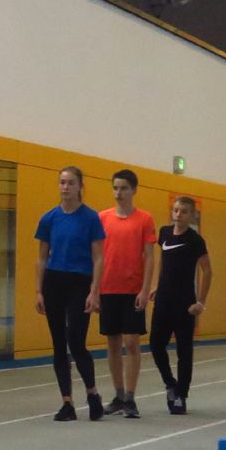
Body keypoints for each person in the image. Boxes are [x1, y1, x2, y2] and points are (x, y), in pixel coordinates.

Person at [34, 166, 106, 421]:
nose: (65, 187)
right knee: (58, 344)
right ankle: (67, 402)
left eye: (71, 183)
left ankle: (92, 393)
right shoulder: (49, 218)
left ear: (80, 187)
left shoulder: (91, 218)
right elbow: (42, 257)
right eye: (62, 182)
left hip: (80, 281)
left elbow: (98, 258)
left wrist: (94, 291)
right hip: (55, 280)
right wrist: (39, 290)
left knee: (76, 341)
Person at [97, 169, 156, 419]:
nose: (118, 193)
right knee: (112, 342)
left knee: (131, 342)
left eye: (123, 188)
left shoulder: (144, 219)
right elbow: (96, 255)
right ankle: (119, 395)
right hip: (108, 288)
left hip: (132, 290)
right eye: (115, 188)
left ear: (134, 190)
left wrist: (145, 288)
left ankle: (131, 397)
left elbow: (150, 257)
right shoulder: (102, 218)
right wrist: (94, 289)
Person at [148, 196, 211, 415]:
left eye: (184, 211)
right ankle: (170, 384)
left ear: (192, 215)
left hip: (185, 303)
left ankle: (181, 395)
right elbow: (164, 260)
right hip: (163, 300)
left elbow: (207, 270)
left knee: (184, 351)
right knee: (156, 344)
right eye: (175, 210)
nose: (178, 215)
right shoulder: (164, 233)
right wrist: (157, 285)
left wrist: (200, 302)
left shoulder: (195, 240)